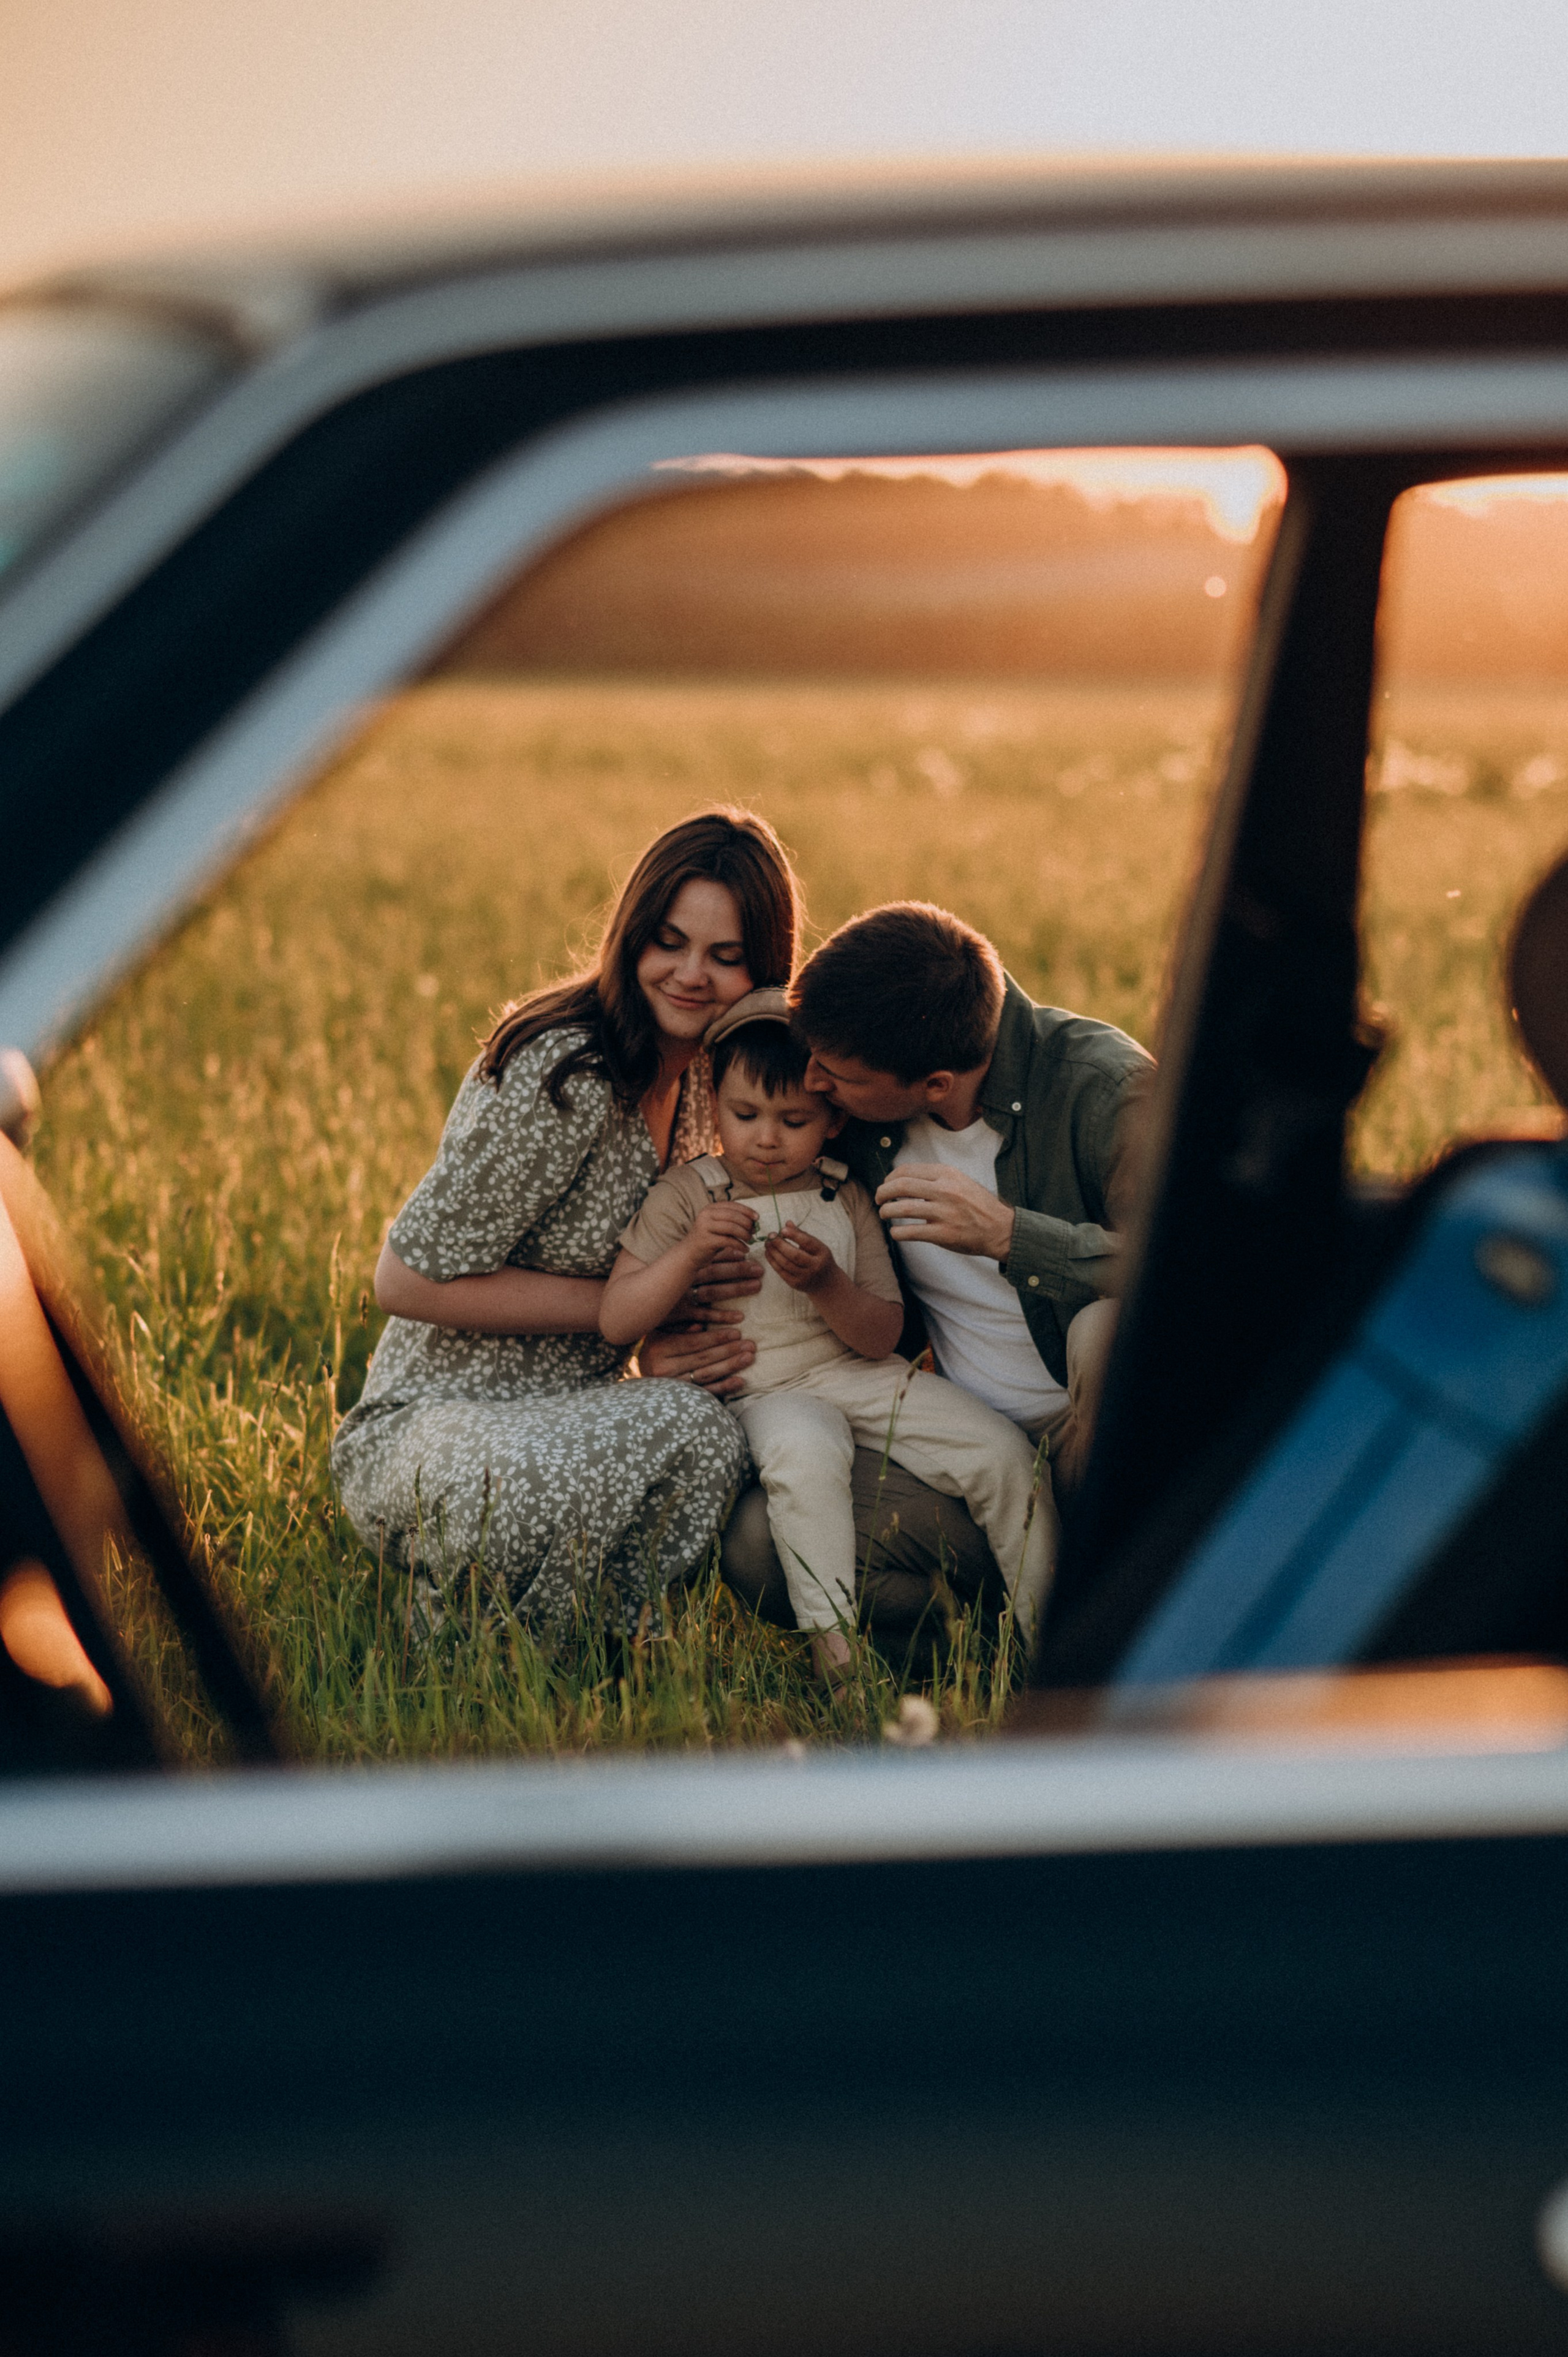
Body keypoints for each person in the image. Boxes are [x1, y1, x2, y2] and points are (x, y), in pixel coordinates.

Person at [330, 808, 794, 1635]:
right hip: (436, 1432)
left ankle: (559, 1641)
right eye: (670, 941)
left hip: (580, 1419)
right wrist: (634, 1304)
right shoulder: (567, 1072)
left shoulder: (706, 1091)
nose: (692, 974)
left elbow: (642, 1305)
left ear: (764, 973)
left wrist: (664, 1338)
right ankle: (469, 1632)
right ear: (631, 935)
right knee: (656, 1437)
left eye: (726, 958)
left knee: (713, 1432)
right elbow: (402, 1280)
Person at [696, 900, 1152, 1631]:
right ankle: (992, 1639)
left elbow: (1209, 1270)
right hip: (959, 1453)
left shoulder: (1103, 1090)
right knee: (762, 1548)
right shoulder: (863, 1103)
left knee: (1102, 1330)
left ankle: (1108, 1621)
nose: (812, 1083)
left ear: (935, 1083)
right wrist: (674, 1338)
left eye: (834, 1073)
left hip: (1096, 1458)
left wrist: (1011, 1235)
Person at [601, 993, 1054, 1675]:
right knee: (805, 1459)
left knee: (1000, 1452)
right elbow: (617, 1319)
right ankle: (835, 1654)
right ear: (713, 1100)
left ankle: (1048, 1640)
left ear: (833, 1117)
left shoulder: (843, 1193)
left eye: (794, 1120)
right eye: (744, 1114)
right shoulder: (687, 1194)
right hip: (762, 1387)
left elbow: (883, 1333)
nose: (765, 1138)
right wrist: (688, 1254)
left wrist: (827, 1286)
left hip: (855, 1371)